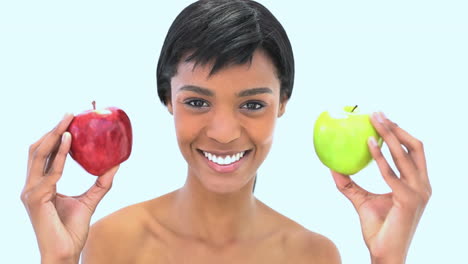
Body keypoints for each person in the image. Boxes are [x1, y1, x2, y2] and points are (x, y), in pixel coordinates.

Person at [21, 0, 432, 263]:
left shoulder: (314, 255)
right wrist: (56, 260)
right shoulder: (111, 242)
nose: (222, 131)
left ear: (283, 103)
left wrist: (390, 258)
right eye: (197, 102)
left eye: (252, 104)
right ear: (167, 98)